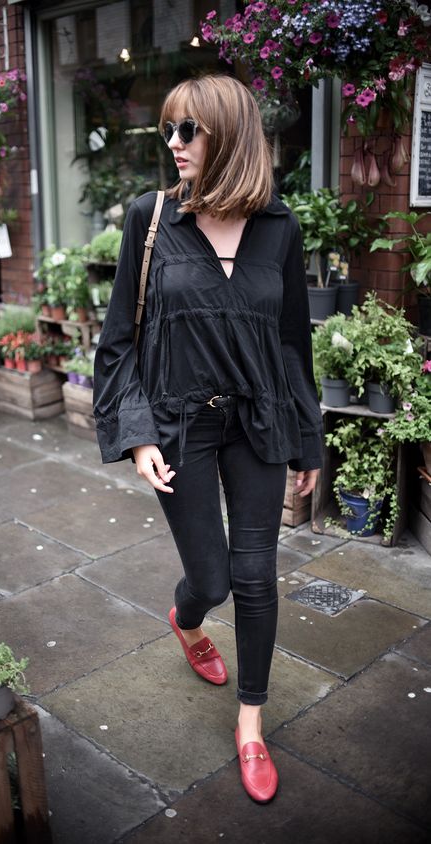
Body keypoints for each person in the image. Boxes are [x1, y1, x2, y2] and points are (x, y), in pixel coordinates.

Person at [93, 75, 321, 803]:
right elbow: (116, 344)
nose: (174, 145)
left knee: (255, 578)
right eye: (169, 131)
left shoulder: (281, 229)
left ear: (228, 135)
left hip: (255, 421)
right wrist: (136, 437)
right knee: (213, 581)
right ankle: (185, 618)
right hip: (179, 425)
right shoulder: (150, 218)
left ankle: (251, 725)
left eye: (187, 130)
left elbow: (292, 344)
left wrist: (309, 442)